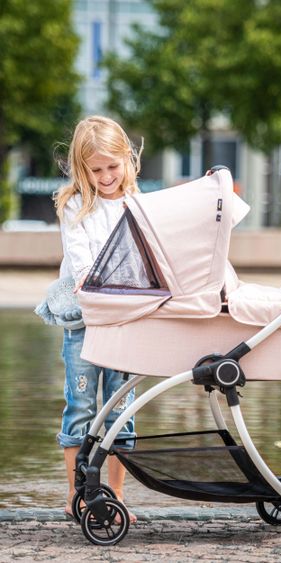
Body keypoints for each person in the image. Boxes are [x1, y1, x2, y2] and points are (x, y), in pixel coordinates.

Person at [53, 115, 142, 522]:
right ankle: (78, 495)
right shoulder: (75, 205)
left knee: (122, 412)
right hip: (84, 323)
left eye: (113, 165)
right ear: (82, 168)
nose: (107, 176)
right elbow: (82, 262)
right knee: (81, 408)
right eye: (96, 169)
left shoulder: (137, 204)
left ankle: (116, 494)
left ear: (128, 159)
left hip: (127, 323)